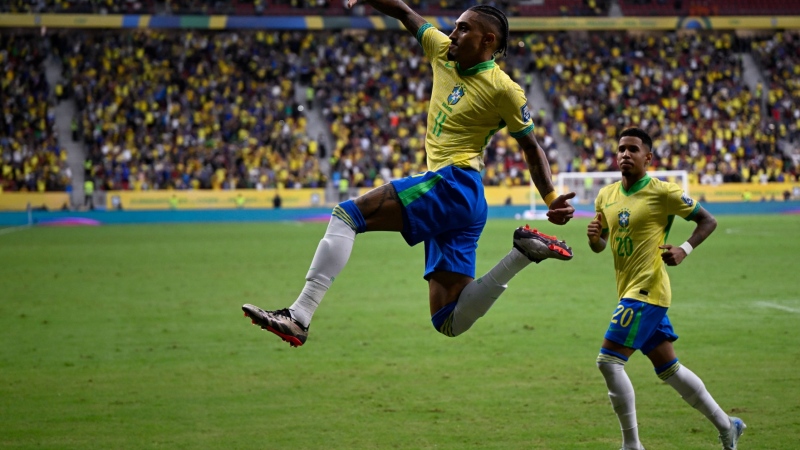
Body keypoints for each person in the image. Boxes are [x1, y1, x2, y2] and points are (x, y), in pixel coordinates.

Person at [243, 0, 576, 347]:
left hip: (454, 184)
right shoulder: (444, 51)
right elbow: (404, 12)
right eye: (455, 26)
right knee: (448, 320)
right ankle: (522, 254)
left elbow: (531, 146)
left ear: (488, 41)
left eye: (464, 28)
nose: (453, 33)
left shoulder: (504, 89)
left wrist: (551, 196)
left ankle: (299, 315)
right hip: (461, 199)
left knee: (346, 216)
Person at [586, 128, 745, 450]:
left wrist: (684, 249)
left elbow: (707, 221)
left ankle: (632, 445)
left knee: (608, 361)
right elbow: (602, 245)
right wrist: (594, 239)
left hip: (648, 289)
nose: (625, 154)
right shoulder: (606, 195)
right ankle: (728, 425)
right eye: (621, 149)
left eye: (633, 149)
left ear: (648, 157)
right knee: (669, 369)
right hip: (628, 288)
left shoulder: (664, 192)